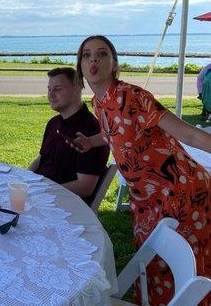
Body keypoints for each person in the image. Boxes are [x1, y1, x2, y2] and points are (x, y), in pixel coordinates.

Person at [74, 35, 210, 305]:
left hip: (180, 191)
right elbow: (112, 130)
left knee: (185, 271)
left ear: (114, 64)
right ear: (80, 65)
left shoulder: (133, 97)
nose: (94, 60)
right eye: (87, 55)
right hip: (146, 199)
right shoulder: (98, 102)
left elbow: (188, 135)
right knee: (153, 267)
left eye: (102, 54)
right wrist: (91, 142)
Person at [28, 67, 109, 205]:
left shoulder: (91, 131)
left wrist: (42, 191)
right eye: (49, 89)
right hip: (37, 194)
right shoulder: (53, 123)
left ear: (77, 89)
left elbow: (85, 187)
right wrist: (24, 179)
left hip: (64, 204)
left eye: (58, 89)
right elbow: (42, 158)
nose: (51, 95)